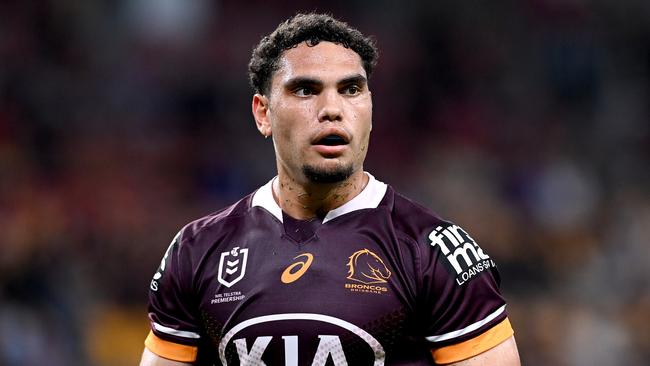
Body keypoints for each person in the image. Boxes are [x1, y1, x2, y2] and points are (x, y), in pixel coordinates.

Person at [139, 13, 521, 366]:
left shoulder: (433, 252)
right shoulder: (197, 250)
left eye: (351, 89)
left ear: (371, 108)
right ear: (263, 113)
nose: (332, 109)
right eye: (305, 90)